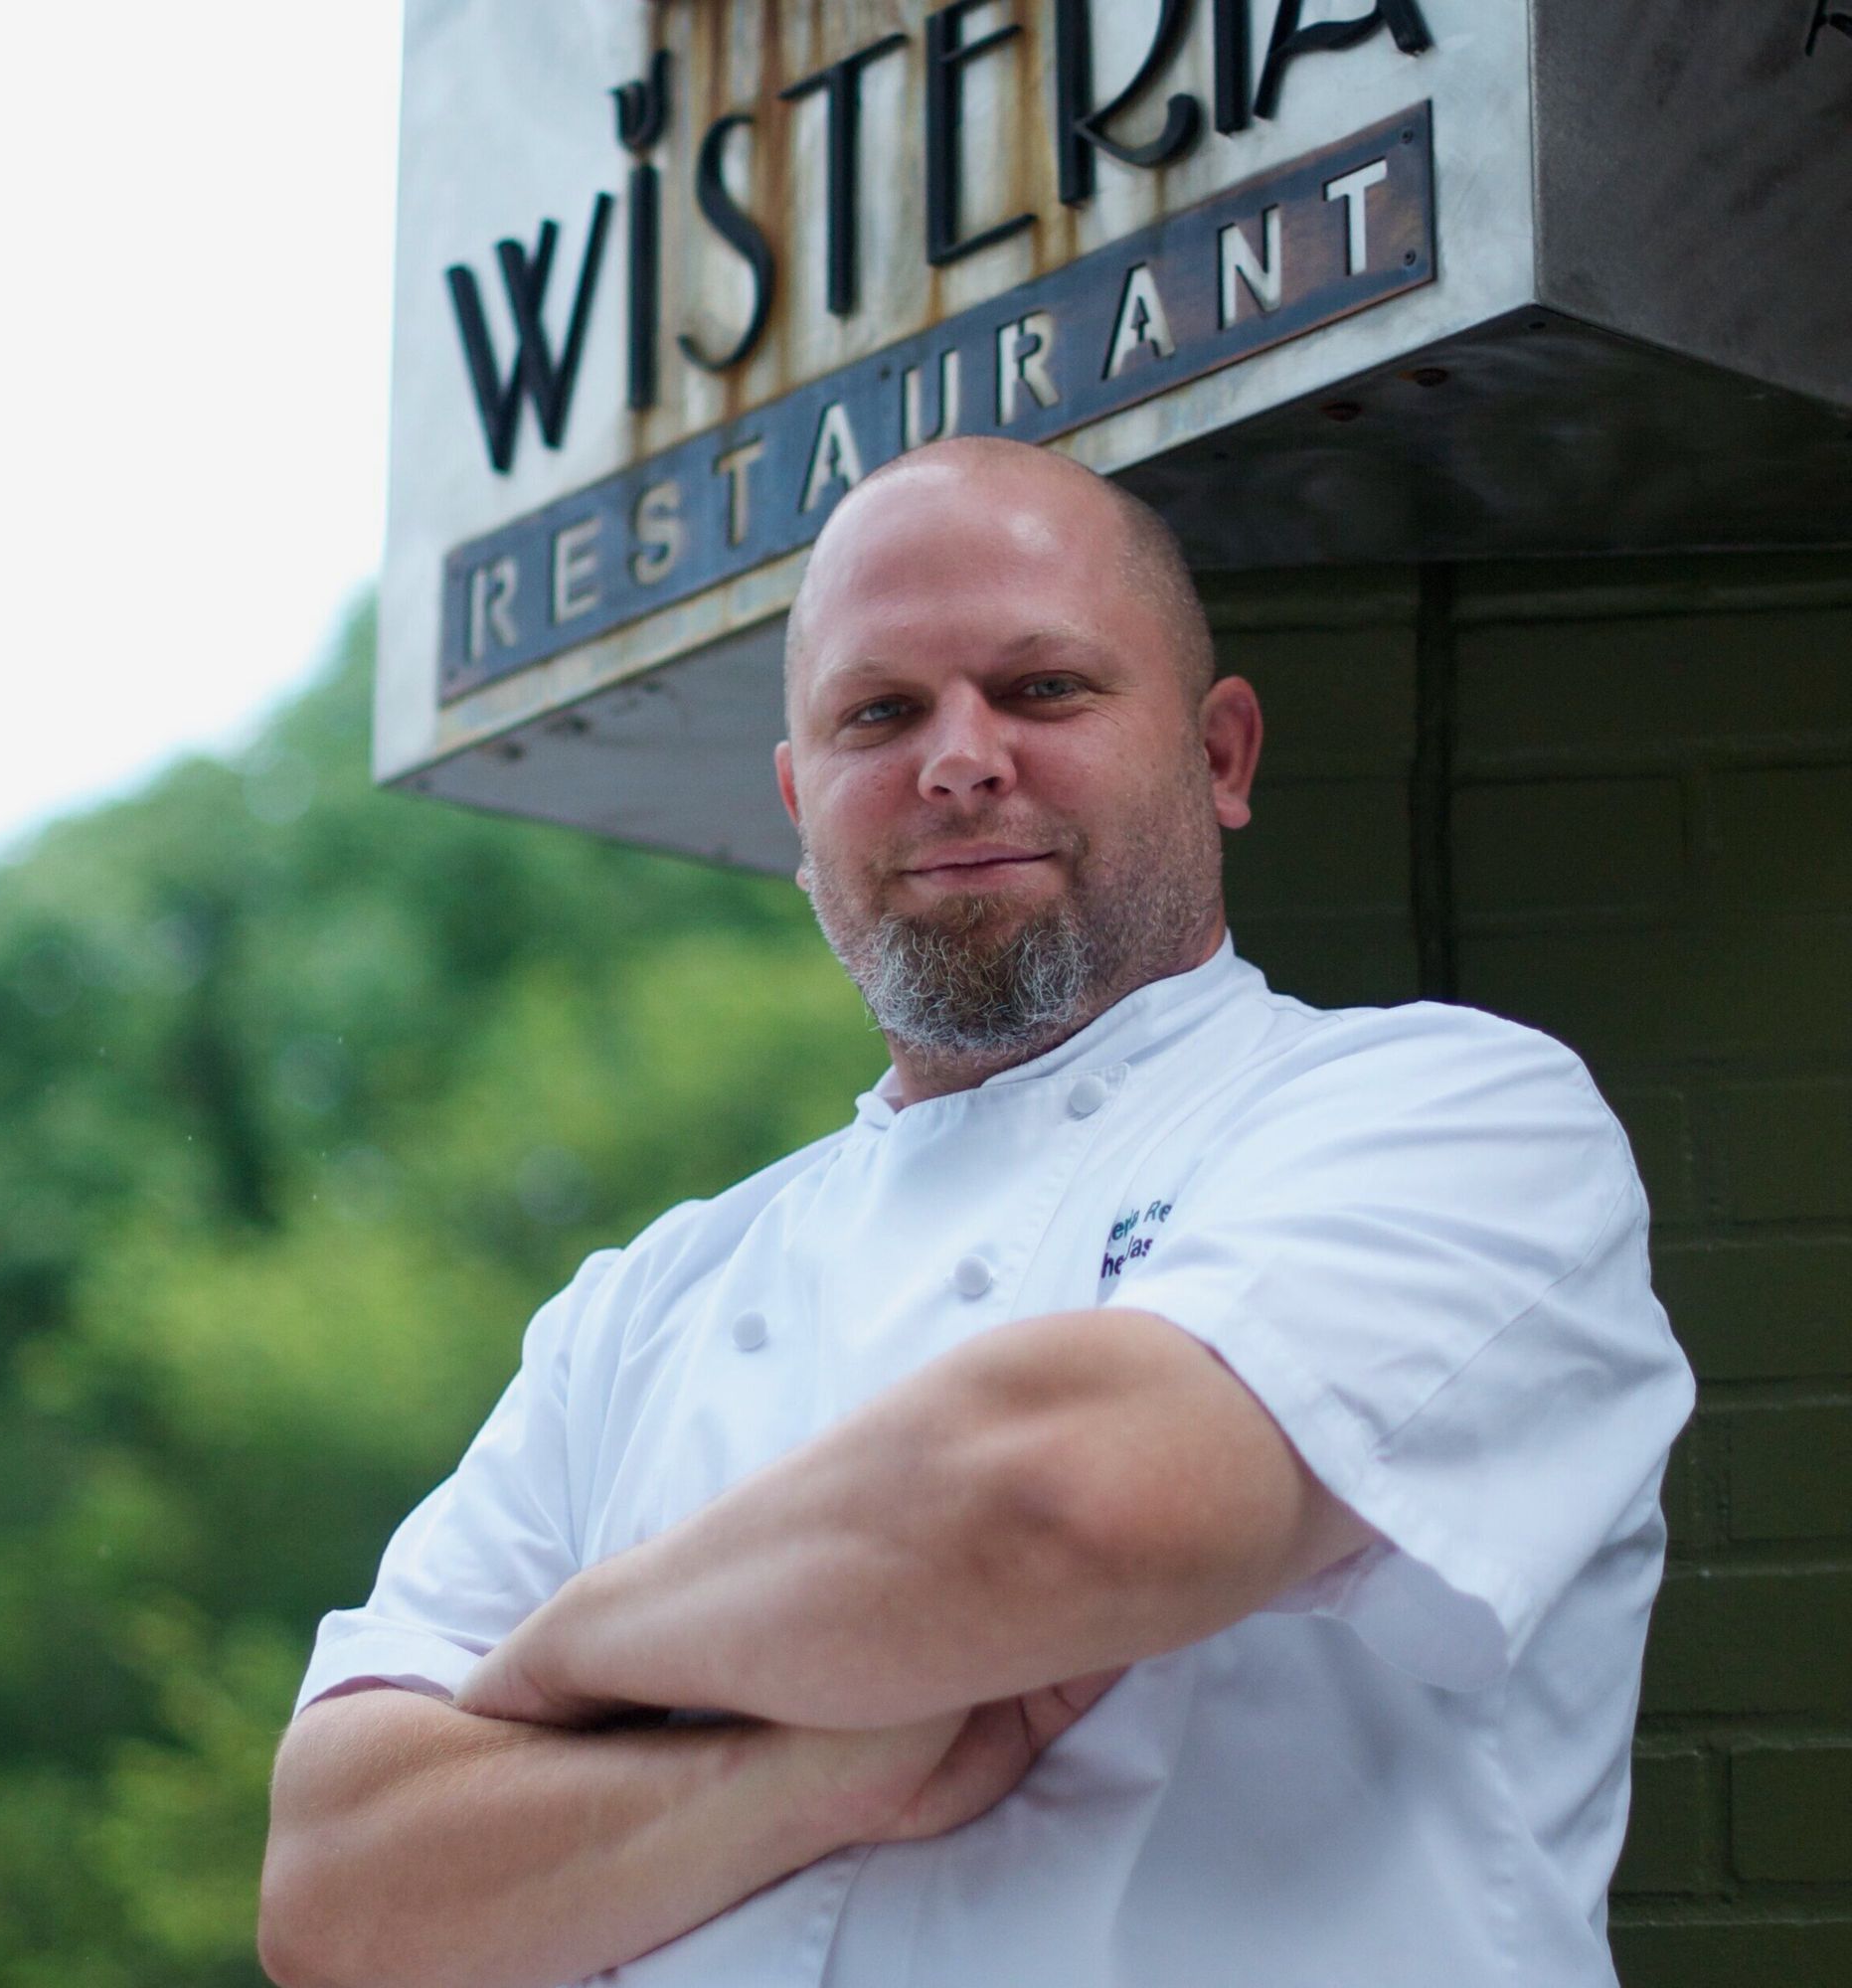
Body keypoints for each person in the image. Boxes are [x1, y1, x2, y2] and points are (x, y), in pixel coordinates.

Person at [257, 436, 1696, 1988]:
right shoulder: (642, 1301)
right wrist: (804, 1774)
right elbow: (343, 1891)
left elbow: (1066, 1506)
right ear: (803, 806)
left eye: (1044, 689)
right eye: (881, 713)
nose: (958, 759)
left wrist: (565, 1658)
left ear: (1221, 757)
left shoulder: (1448, 1111)